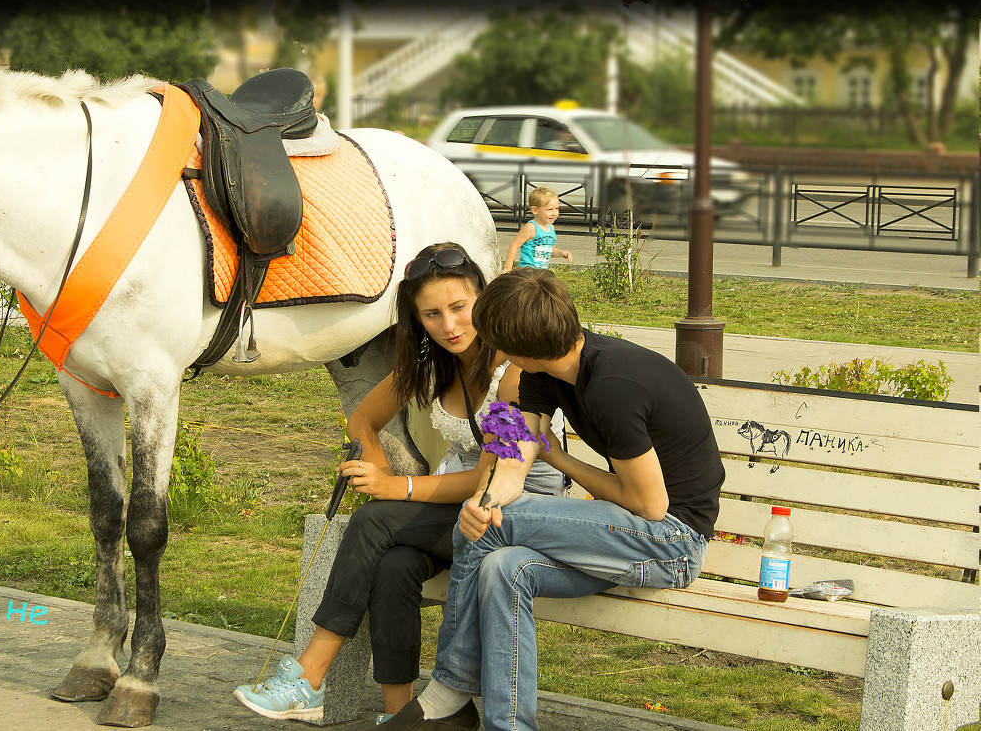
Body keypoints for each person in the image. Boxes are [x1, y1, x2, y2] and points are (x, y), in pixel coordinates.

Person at [233, 244, 565, 725]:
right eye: (431, 314)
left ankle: (308, 675)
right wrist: (380, 471)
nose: (448, 325)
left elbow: (492, 478)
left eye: (459, 308)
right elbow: (362, 422)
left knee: (374, 519)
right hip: (462, 508)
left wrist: (398, 487)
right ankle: (405, 716)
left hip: (514, 510)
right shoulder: (431, 365)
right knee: (394, 564)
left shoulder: (508, 375)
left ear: (484, 301)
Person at [384, 267, 724, 731]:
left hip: (672, 542)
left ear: (519, 348)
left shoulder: (612, 387)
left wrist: (563, 463)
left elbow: (651, 507)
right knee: (504, 567)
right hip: (623, 533)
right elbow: (512, 459)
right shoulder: (541, 373)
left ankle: (448, 692)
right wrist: (486, 497)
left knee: (495, 524)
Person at [502, 187, 572, 272]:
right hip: (527, 273)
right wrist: (507, 268)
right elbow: (514, 245)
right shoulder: (531, 227)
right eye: (549, 209)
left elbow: (551, 250)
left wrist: (562, 253)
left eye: (556, 208)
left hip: (541, 274)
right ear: (535, 210)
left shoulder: (551, 228)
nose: (554, 213)